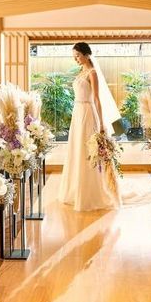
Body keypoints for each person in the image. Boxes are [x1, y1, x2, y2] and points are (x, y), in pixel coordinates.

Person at [56, 42, 122, 211]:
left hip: (87, 112)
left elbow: (97, 99)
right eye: (74, 56)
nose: (76, 59)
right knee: (77, 149)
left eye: (78, 56)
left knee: (87, 151)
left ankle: (91, 192)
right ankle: (75, 189)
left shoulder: (92, 72)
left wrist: (101, 123)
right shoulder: (81, 72)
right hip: (77, 113)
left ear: (86, 54)